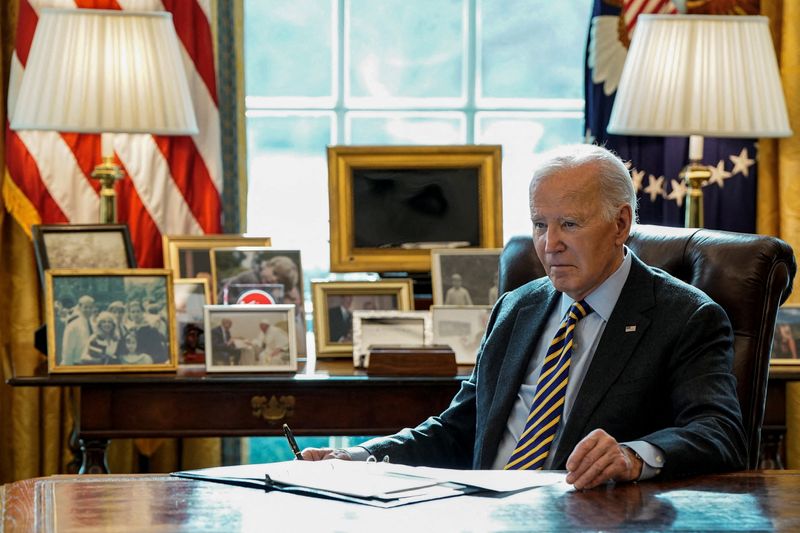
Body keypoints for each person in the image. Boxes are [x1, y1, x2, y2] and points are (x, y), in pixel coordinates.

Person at [302, 144, 746, 490]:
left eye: (569, 225)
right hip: (478, 514)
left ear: (620, 224)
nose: (549, 244)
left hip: (585, 519)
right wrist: (359, 457)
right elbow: (459, 428)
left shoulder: (685, 317)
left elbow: (720, 433)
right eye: (539, 224)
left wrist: (634, 457)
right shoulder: (519, 307)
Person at [60, 295, 95, 365]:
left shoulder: (93, 324)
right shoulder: (73, 325)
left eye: (90, 307)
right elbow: (67, 349)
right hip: (77, 363)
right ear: (79, 308)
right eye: (85, 307)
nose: (88, 310)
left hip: (91, 362)